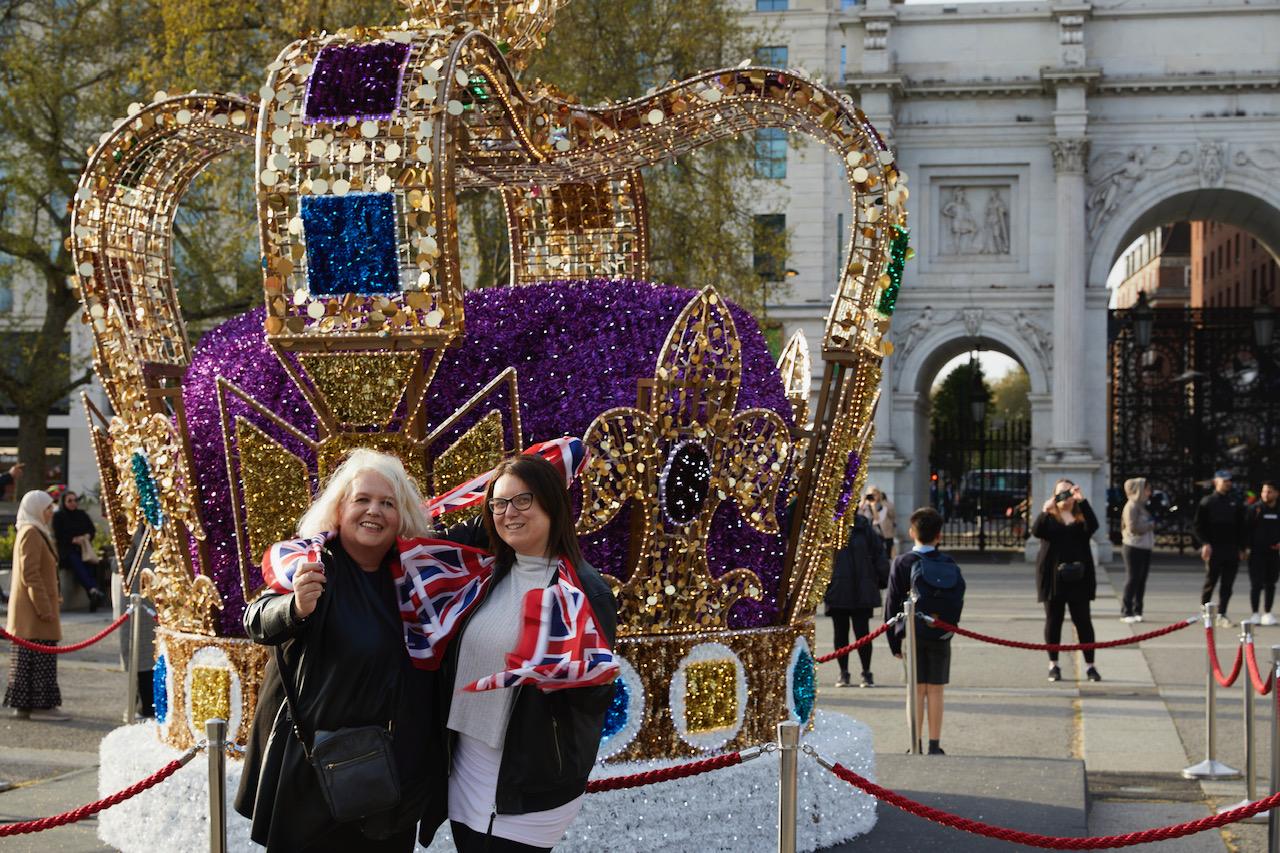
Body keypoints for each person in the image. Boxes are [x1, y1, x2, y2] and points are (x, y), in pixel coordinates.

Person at [236, 449, 441, 852]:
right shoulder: (313, 563)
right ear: (338, 509)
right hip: (315, 778)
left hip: (389, 784)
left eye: (388, 503)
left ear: (402, 516)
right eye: (361, 499)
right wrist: (296, 607)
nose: (374, 511)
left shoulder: (415, 576)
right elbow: (257, 618)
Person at [424, 453, 618, 853]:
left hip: (528, 783)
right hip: (466, 769)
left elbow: (594, 694)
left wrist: (578, 679)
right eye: (498, 503)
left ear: (552, 502)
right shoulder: (485, 573)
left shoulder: (584, 589)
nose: (508, 513)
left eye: (522, 500)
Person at [884, 507, 964, 755]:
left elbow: (891, 604)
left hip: (911, 632)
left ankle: (914, 742)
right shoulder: (948, 563)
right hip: (939, 630)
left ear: (912, 532)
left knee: (916, 690)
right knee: (936, 689)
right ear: (939, 535)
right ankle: (935, 744)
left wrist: (894, 642)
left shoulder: (902, 562)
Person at [3, 490, 69, 721]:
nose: (51, 512)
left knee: (30, 660)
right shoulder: (31, 532)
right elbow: (30, 574)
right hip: (34, 611)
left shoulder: (33, 530)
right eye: (47, 508)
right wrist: (44, 607)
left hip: (33, 611)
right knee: (38, 659)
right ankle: (40, 705)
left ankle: (28, 705)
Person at [1033, 480, 1101, 683]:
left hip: (1079, 577)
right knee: (1054, 620)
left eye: (1068, 493)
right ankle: (1053, 664)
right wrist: (1045, 510)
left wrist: (1083, 500)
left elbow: (1094, 526)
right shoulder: (1049, 517)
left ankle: (1090, 666)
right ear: (1054, 495)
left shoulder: (1080, 517)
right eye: (1060, 493)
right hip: (1053, 577)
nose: (1065, 497)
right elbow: (1036, 531)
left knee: (1083, 622)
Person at [824, 512, 889, 688]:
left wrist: (881, 578)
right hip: (838, 588)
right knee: (840, 633)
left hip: (862, 588)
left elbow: (879, 554)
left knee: (863, 634)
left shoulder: (865, 527)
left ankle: (866, 672)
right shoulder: (829, 525)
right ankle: (843, 672)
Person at [1193, 470, 1246, 628]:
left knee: (1227, 584)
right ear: (1216, 482)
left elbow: (1241, 527)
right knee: (1211, 580)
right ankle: (1205, 609)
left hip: (1231, 549)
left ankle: (1222, 613)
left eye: (1229, 481)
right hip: (1214, 548)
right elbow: (1198, 526)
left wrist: (1242, 548)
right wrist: (1205, 543)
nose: (1228, 483)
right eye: (1224, 481)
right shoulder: (1207, 501)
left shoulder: (1235, 502)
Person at [51, 490, 107, 612]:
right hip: (67, 552)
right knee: (76, 562)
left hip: (83, 550)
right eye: (69, 501)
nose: (72, 503)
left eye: (74, 500)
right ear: (64, 502)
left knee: (91, 565)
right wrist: (72, 540)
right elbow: (59, 535)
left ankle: (93, 592)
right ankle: (93, 589)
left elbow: (91, 530)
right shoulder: (59, 516)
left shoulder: (81, 514)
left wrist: (86, 536)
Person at [1120, 478, 1155, 623]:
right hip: (1133, 547)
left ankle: (1137, 609)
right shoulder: (1132, 506)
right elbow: (1132, 528)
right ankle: (1126, 611)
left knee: (1141, 580)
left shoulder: (1141, 506)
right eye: (1147, 489)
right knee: (1133, 578)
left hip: (1144, 546)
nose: (1149, 492)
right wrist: (1149, 525)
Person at [1247, 481, 1280, 625]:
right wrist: (1245, 548)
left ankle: (1267, 612)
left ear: (1276, 493)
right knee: (1256, 584)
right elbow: (1246, 530)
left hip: (1273, 554)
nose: (1266, 495)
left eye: (1269, 492)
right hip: (1256, 553)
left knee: (1271, 584)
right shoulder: (1255, 509)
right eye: (1264, 491)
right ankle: (1255, 613)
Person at [860, 487, 898, 558]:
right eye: (871, 495)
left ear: (879, 495)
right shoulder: (864, 505)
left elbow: (877, 519)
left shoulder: (883, 506)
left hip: (879, 535)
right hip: (866, 534)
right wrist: (863, 501)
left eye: (875, 494)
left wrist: (873, 506)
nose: (873, 496)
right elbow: (859, 515)